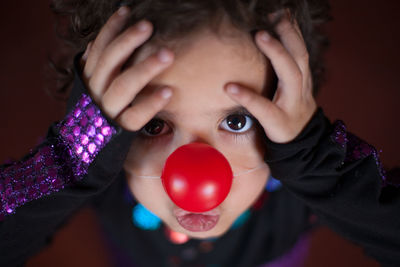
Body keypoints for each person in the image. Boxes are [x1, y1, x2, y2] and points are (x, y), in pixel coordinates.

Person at [1, 0, 399, 266]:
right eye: (154, 124)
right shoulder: (94, 175)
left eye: (237, 121)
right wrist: (73, 160)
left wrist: (319, 163)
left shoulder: (307, 188)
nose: (197, 182)